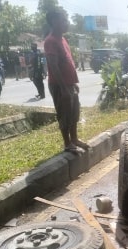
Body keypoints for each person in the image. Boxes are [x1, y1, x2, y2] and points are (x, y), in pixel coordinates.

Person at [44, 8, 88, 154]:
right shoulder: (50, 41)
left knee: (74, 111)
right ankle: (67, 143)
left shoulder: (63, 39)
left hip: (69, 84)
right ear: (54, 22)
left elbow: (67, 62)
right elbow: (54, 66)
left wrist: (74, 84)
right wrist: (63, 88)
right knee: (64, 113)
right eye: (63, 20)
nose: (66, 23)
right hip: (59, 85)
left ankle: (74, 139)